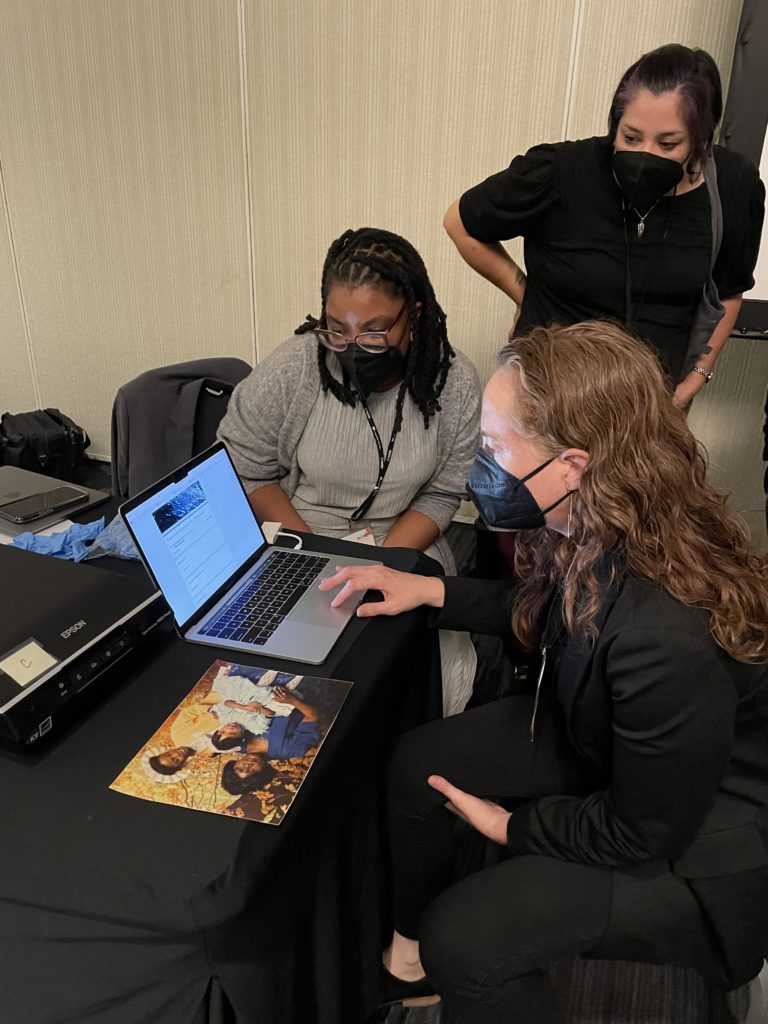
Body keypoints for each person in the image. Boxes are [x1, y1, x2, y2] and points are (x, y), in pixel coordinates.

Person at [320, 321, 768, 1022]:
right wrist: (433, 590)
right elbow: (555, 608)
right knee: (420, 764)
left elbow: (642, 831)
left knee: (464, 942)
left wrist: (511, 827)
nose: (479, 464)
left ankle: (436, 952)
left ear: (572, 464)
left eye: (496, 448)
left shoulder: (661, 635)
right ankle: (406, 959)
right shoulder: (604, 515)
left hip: (695, 841)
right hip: (614, 742)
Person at [218, 226, 482, 714]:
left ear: (414, 316)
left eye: (375, 329)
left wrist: (382, 569)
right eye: (337, 328)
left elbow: (443, 494)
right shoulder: (296, 367)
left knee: (416, 680)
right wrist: (317, 563)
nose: (353, 345)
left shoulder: (455, 382)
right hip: (299, 538)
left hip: (404, 540)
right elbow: (246, 468)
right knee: (278, 687)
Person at [444, 43, 765, 409]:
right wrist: (524, 292)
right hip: (548, 400)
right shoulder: (561, 171)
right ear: (615, 124)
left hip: (650, 411)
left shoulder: (733, 187)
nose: (646, 153)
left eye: (668, 143)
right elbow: (460, 222)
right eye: (630, 137)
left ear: (701, 138)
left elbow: (728, 289)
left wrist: (695, 378)